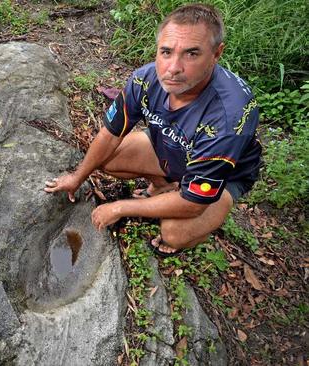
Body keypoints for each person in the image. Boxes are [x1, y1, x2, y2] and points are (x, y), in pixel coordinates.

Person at [44, 3, 261, 257]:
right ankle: (164, 186)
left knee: (174, 233)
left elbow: (193, 204)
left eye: (192, 54)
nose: (173, 68)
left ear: (216, 54)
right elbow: (110, 133)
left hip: (223, 178)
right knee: (108, 159)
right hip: (171, 144)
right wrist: (78, 176)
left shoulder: (228, 118)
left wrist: (121, 208)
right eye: (166, 52)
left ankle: (193, 218)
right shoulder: (144, 80)